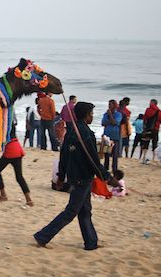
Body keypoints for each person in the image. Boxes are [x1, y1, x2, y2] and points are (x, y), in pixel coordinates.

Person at [33, 102, 117, 250]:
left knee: (85, 210)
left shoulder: (71, 131)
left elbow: (64, 155)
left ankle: (91, 242)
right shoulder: (85, 133)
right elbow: (93, 159)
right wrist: (108, 177)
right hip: (83, 177)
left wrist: (61, 177)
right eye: (91, 114)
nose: (92, 116)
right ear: (85, 115)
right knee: (71, 211)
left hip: (75, 176)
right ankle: (43, 236)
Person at [0, 130, 33, 207]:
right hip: (17, 148)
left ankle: (3, 195)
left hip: (10, 150)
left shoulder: (2, 124)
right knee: (19, 177)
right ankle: (29, 200)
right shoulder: (10, 122)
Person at [101, 99, 122, 172]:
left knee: (115, 154)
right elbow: (103, 123)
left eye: (110, 104)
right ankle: (106, 168)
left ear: (114, 105)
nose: (109, 106)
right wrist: (110, 119)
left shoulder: (118, 114)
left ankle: (114, 169)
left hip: (115, 136)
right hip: (107, 136)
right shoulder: (105, 114)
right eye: (109, 104)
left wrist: (110, 116)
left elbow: (115, 123)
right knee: (106, 153)